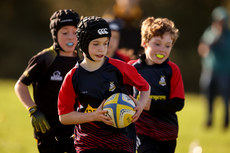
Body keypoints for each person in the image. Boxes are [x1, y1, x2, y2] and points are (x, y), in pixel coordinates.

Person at [57, 16, 150, 153]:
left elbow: (145, 87)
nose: (102, 49)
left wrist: (140, 105)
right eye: (96, 44)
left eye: (105, 43)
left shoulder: (119, 67)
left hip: (121, 140)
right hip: (89, 141)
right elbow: (64, 117)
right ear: (83, 44)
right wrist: (94, 116)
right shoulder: (73, 76)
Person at [14, 9, 81, 153]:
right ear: (55, 34)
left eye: (75, 33)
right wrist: (32, 110)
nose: (70, 37)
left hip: (75, 129)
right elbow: (20, 85)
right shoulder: (45, 58)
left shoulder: (82, 60)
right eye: (64, 33)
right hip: (47, 129)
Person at [129, 17, 185, 153]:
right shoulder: (131, 68)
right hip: (141, 132)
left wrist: (151, 105)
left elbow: (178, 103)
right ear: (145, 43)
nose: (162, 50)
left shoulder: (172, 70)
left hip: (167, 133)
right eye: (157, 44)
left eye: (167, 45)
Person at [198, 6, 230, 128]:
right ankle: (209, 120)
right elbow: (202, 49)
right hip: (209, 69)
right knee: (208, 96)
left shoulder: (228, 36)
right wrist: (213, 41)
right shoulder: (209, 33)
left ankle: (226, 120)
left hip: (225, 71)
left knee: (225, 97)